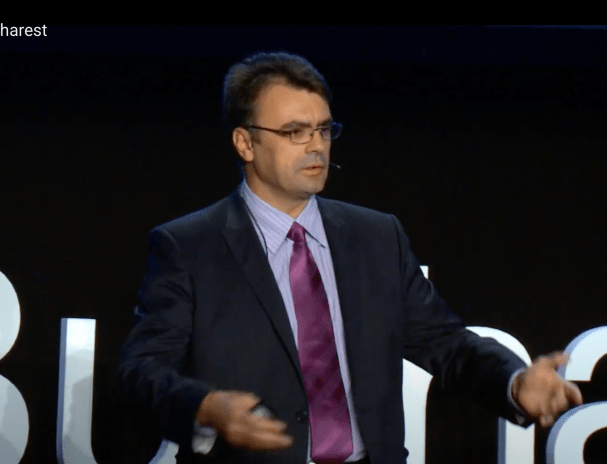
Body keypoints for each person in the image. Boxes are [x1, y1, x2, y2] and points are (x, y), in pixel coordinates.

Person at [117, 51, 582, 464]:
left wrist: (513, 381)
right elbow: (142, 371)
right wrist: (205, 408)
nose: (316, 146)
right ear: (245, 143)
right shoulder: (189, 246)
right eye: (295, 132)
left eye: (324, 129)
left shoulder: (376, 236)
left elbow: (444, 341)